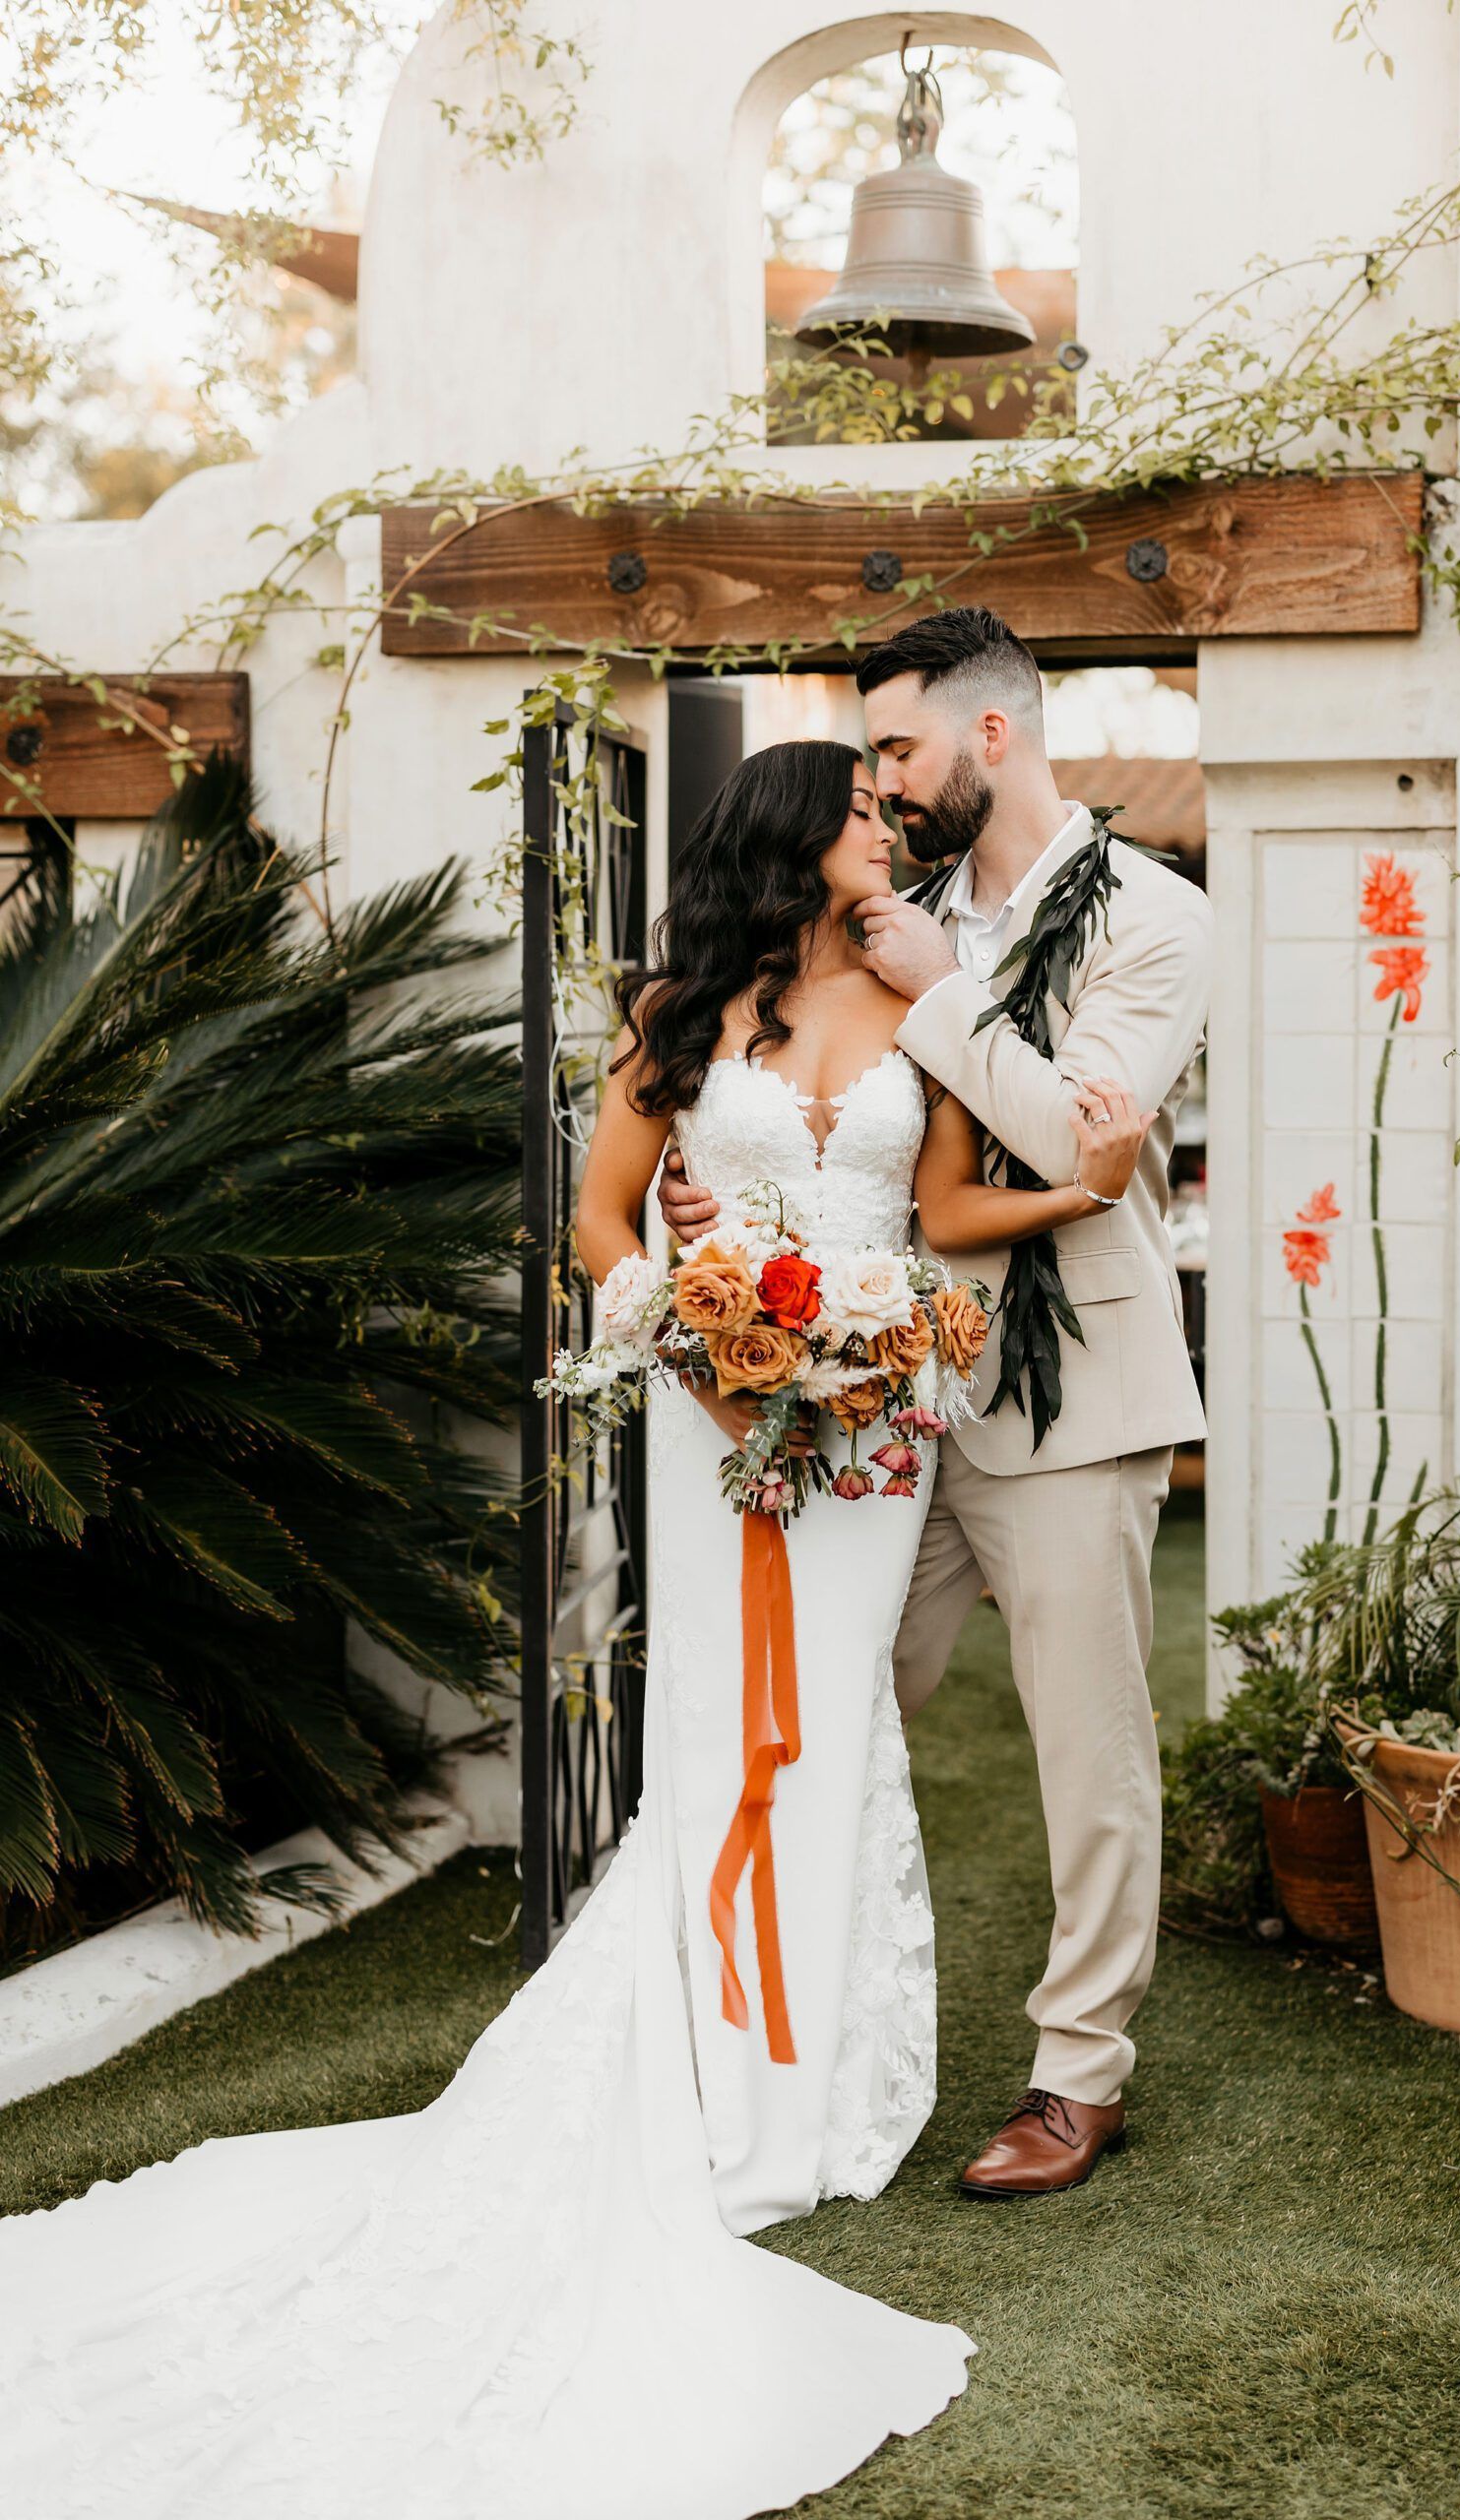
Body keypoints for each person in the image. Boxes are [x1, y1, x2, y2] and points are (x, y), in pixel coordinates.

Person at [0, 737, 1149, 2520]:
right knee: (716, 1733)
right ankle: (709, 2082)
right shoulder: (677, 1013)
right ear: (788, 832)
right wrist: (684, 1316)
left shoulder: (928, 995)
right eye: (859, 810)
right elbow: (595, 1223)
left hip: (875, 1434)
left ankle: (813, 2089)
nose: (887, 830)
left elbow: (929, 1222)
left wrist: (1064, 1206)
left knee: (827, 1729)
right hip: (710, 1415)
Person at [661, 608, 1213, 2201]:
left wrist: (944, 995)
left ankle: (1076, 2074)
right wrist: (722, 1232)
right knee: (830, 1702)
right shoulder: (885, 908)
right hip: (876, 1415)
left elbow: (1069, 1146)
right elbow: (847, 1133)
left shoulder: (1154, 923)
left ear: (989, 736)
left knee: (1083, 1744)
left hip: (1069, 1398)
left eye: (896, 749)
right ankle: (785, 2022)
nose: (881, 788)